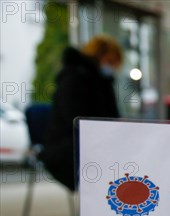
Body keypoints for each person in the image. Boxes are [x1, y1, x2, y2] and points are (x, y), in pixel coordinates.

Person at [39, 34, 123, 191]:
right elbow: (75, 119)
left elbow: (111, 118)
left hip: (91, 140)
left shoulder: (103, 83)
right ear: (98, 56)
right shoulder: (73, 79)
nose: (112, 67)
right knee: (114, 161)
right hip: (66, 145)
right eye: (110, 62)